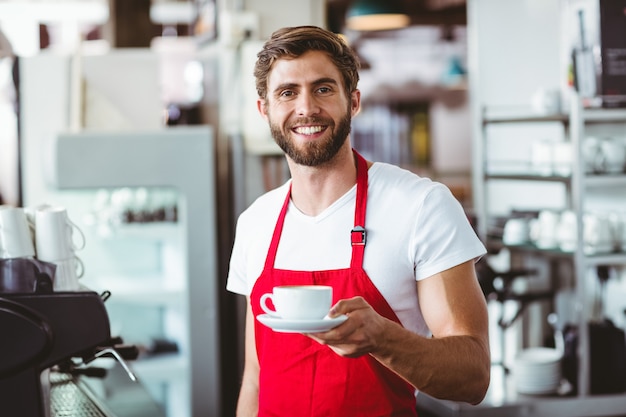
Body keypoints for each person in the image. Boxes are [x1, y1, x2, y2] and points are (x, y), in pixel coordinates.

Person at [226, 25, 490, 417]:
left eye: (323, 88)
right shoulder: (255, 223)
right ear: (265, 109)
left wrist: (384, 338)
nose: (306, 108)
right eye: (287, 92)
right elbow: (255, 379)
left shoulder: (421, 206)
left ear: (353, 101)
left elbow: (473, 376)